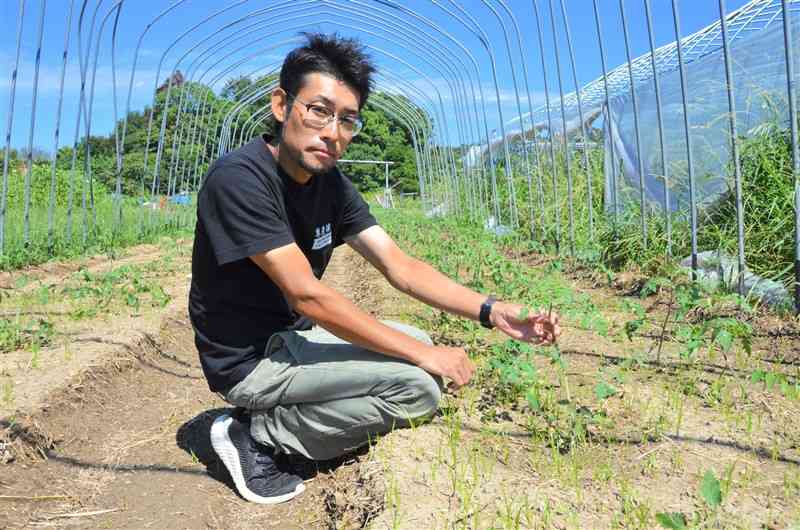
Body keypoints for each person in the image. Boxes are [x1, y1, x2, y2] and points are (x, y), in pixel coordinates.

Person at [189, 33, 561, 505]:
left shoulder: (331, 184)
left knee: (420, 346)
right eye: (319, 110)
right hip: (249, 360)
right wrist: (422, 358)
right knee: (418, 389)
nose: (333, 132)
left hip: (291, 339)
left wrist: (492, 311)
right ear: (282, 105)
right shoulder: (239, 180)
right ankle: (259, 433)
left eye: (347, 120)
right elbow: (308, 296)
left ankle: (280, 418)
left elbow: (400, 266)